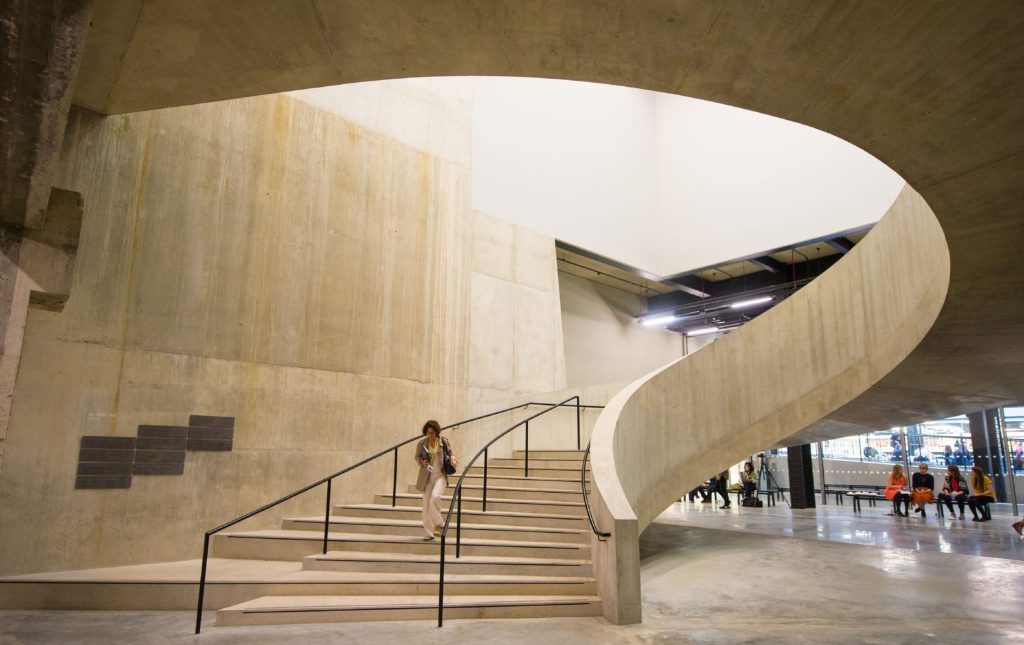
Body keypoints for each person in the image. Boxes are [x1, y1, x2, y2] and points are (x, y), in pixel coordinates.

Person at [414, 419, 457, 540]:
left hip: (440, 476)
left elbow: (450, 453)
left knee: (434, 498)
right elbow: (417, 457)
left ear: (437, 432)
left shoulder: (443, 441)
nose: (430, 435)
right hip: (427, 477)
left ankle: (438, 523)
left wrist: (453, 459)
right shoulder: (422, 443)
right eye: (428, 432)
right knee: (426, 505)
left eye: (432, 432)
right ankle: (428, 533)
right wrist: (420, 461)